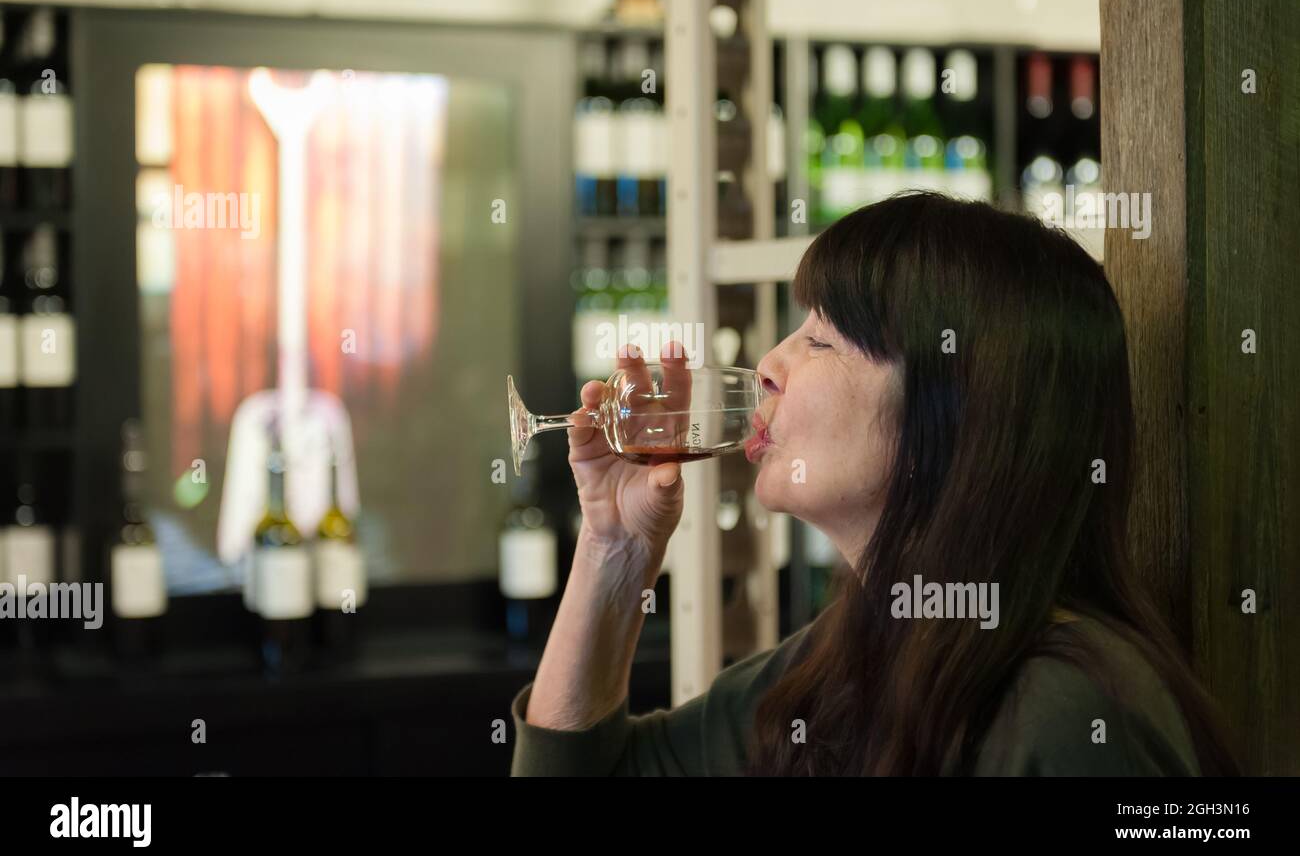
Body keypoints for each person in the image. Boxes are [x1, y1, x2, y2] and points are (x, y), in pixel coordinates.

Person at [510, 191, 1241, 776]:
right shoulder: (852, 653)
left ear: (952, 415)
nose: (767, 361)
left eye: (822, 338)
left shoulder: (1068, 713)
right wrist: (616, 549)